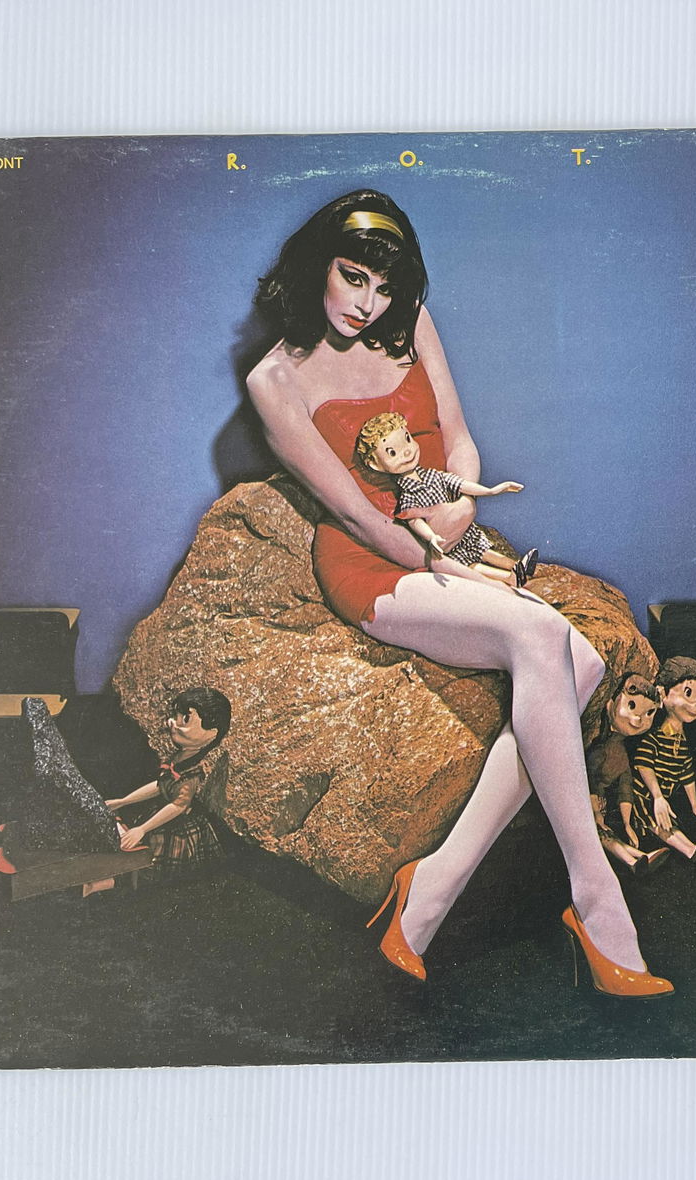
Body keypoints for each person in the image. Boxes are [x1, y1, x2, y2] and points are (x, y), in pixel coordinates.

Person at [245, 189, 669, 997]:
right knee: (547, 640)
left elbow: (461, 440)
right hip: (373, 564)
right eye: (353, 278)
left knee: (579, 663)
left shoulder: (411, 322)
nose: (368, 305)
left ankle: (431, 888)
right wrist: (449, 562)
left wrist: (462, 510)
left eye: (384, 287)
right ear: (316, 265)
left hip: (445, 528)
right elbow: (353, 513)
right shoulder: (275, 379)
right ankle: (597, 896)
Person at [0, 689, 231, 894]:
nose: (173, 723)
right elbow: (160, 786)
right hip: (158, 814)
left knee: (148, 862)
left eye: (185, 719)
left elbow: (177, 806)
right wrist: (123, 800)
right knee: (125, 844)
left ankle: (105, 884)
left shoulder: (192, 773)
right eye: (175, 716)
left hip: (176, 828)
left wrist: (142, 829)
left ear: (211, 733)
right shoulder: (178, 759)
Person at [354, 410, 540, 587]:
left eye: (407, 439)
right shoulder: (408, 496)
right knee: (470, 565)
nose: (407, 452)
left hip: (463, 531)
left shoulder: (433, 475)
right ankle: (510, 578)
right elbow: (415, 521)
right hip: (445, 541)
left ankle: (517, 567)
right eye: (392, 453)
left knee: (484, 551)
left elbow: (460, 484)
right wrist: (431, 537)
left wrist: (491, 491)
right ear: (375, 464)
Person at [631, 657, 696, 858]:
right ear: (663, 693)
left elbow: (686, 772)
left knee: (669, 821)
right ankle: (690, 850)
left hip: (661, 796)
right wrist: (658, 796)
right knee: (659, 822)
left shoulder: (681, 741)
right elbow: (643, 764)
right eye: (688, 694)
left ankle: (693, 849)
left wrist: (694, 804)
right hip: (642, 796)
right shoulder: (655, 737)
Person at [586, 673, 670, 875]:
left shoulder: (622, 753)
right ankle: (633, 860)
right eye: (632, 706)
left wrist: (627, 823)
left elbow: (625, 786)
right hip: (586, 803)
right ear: (610, 705)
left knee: (604, 833)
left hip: (600, 806)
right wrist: (595, 812)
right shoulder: (599, 749)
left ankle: (639, 858)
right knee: (599, 834)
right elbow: (589, 779)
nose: (639, 719)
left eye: (649, 713)